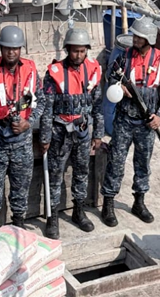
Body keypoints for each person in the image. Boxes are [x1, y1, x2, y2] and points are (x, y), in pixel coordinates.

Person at [100, 17, 160, 227]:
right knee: (116, 161)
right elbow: (110, 75)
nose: (135, 39)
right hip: (124, 120)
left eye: (139, 37)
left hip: (146, 122)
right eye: (134, 35)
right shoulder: (124, 58)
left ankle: (139, 201)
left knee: (143, 164)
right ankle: (108, 202)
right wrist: (118, 86)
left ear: (148, 39)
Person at [0, 26, 45, 236]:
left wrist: (28, 122)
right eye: (7, 48)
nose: (11, 52)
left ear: (21, 49)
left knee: (20, 192)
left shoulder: (30, 71)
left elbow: (41, 101)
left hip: (21, 144)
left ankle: (18, 230)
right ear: (1, 48)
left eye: (15, 48)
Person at [40, 29, 104, 239]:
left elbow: (98, 106)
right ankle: (53, 218)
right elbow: (46, 108)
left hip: (83, 132)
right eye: (74, 51)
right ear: (67, 50)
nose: (78, 55)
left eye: (82, 51)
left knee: (82, 171)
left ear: (87, 51)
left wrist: (98, 134)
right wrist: (45, 137)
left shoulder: (93, 71)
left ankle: (79, 211)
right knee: (55, 175)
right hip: (60, 133)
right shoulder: (54, 73)